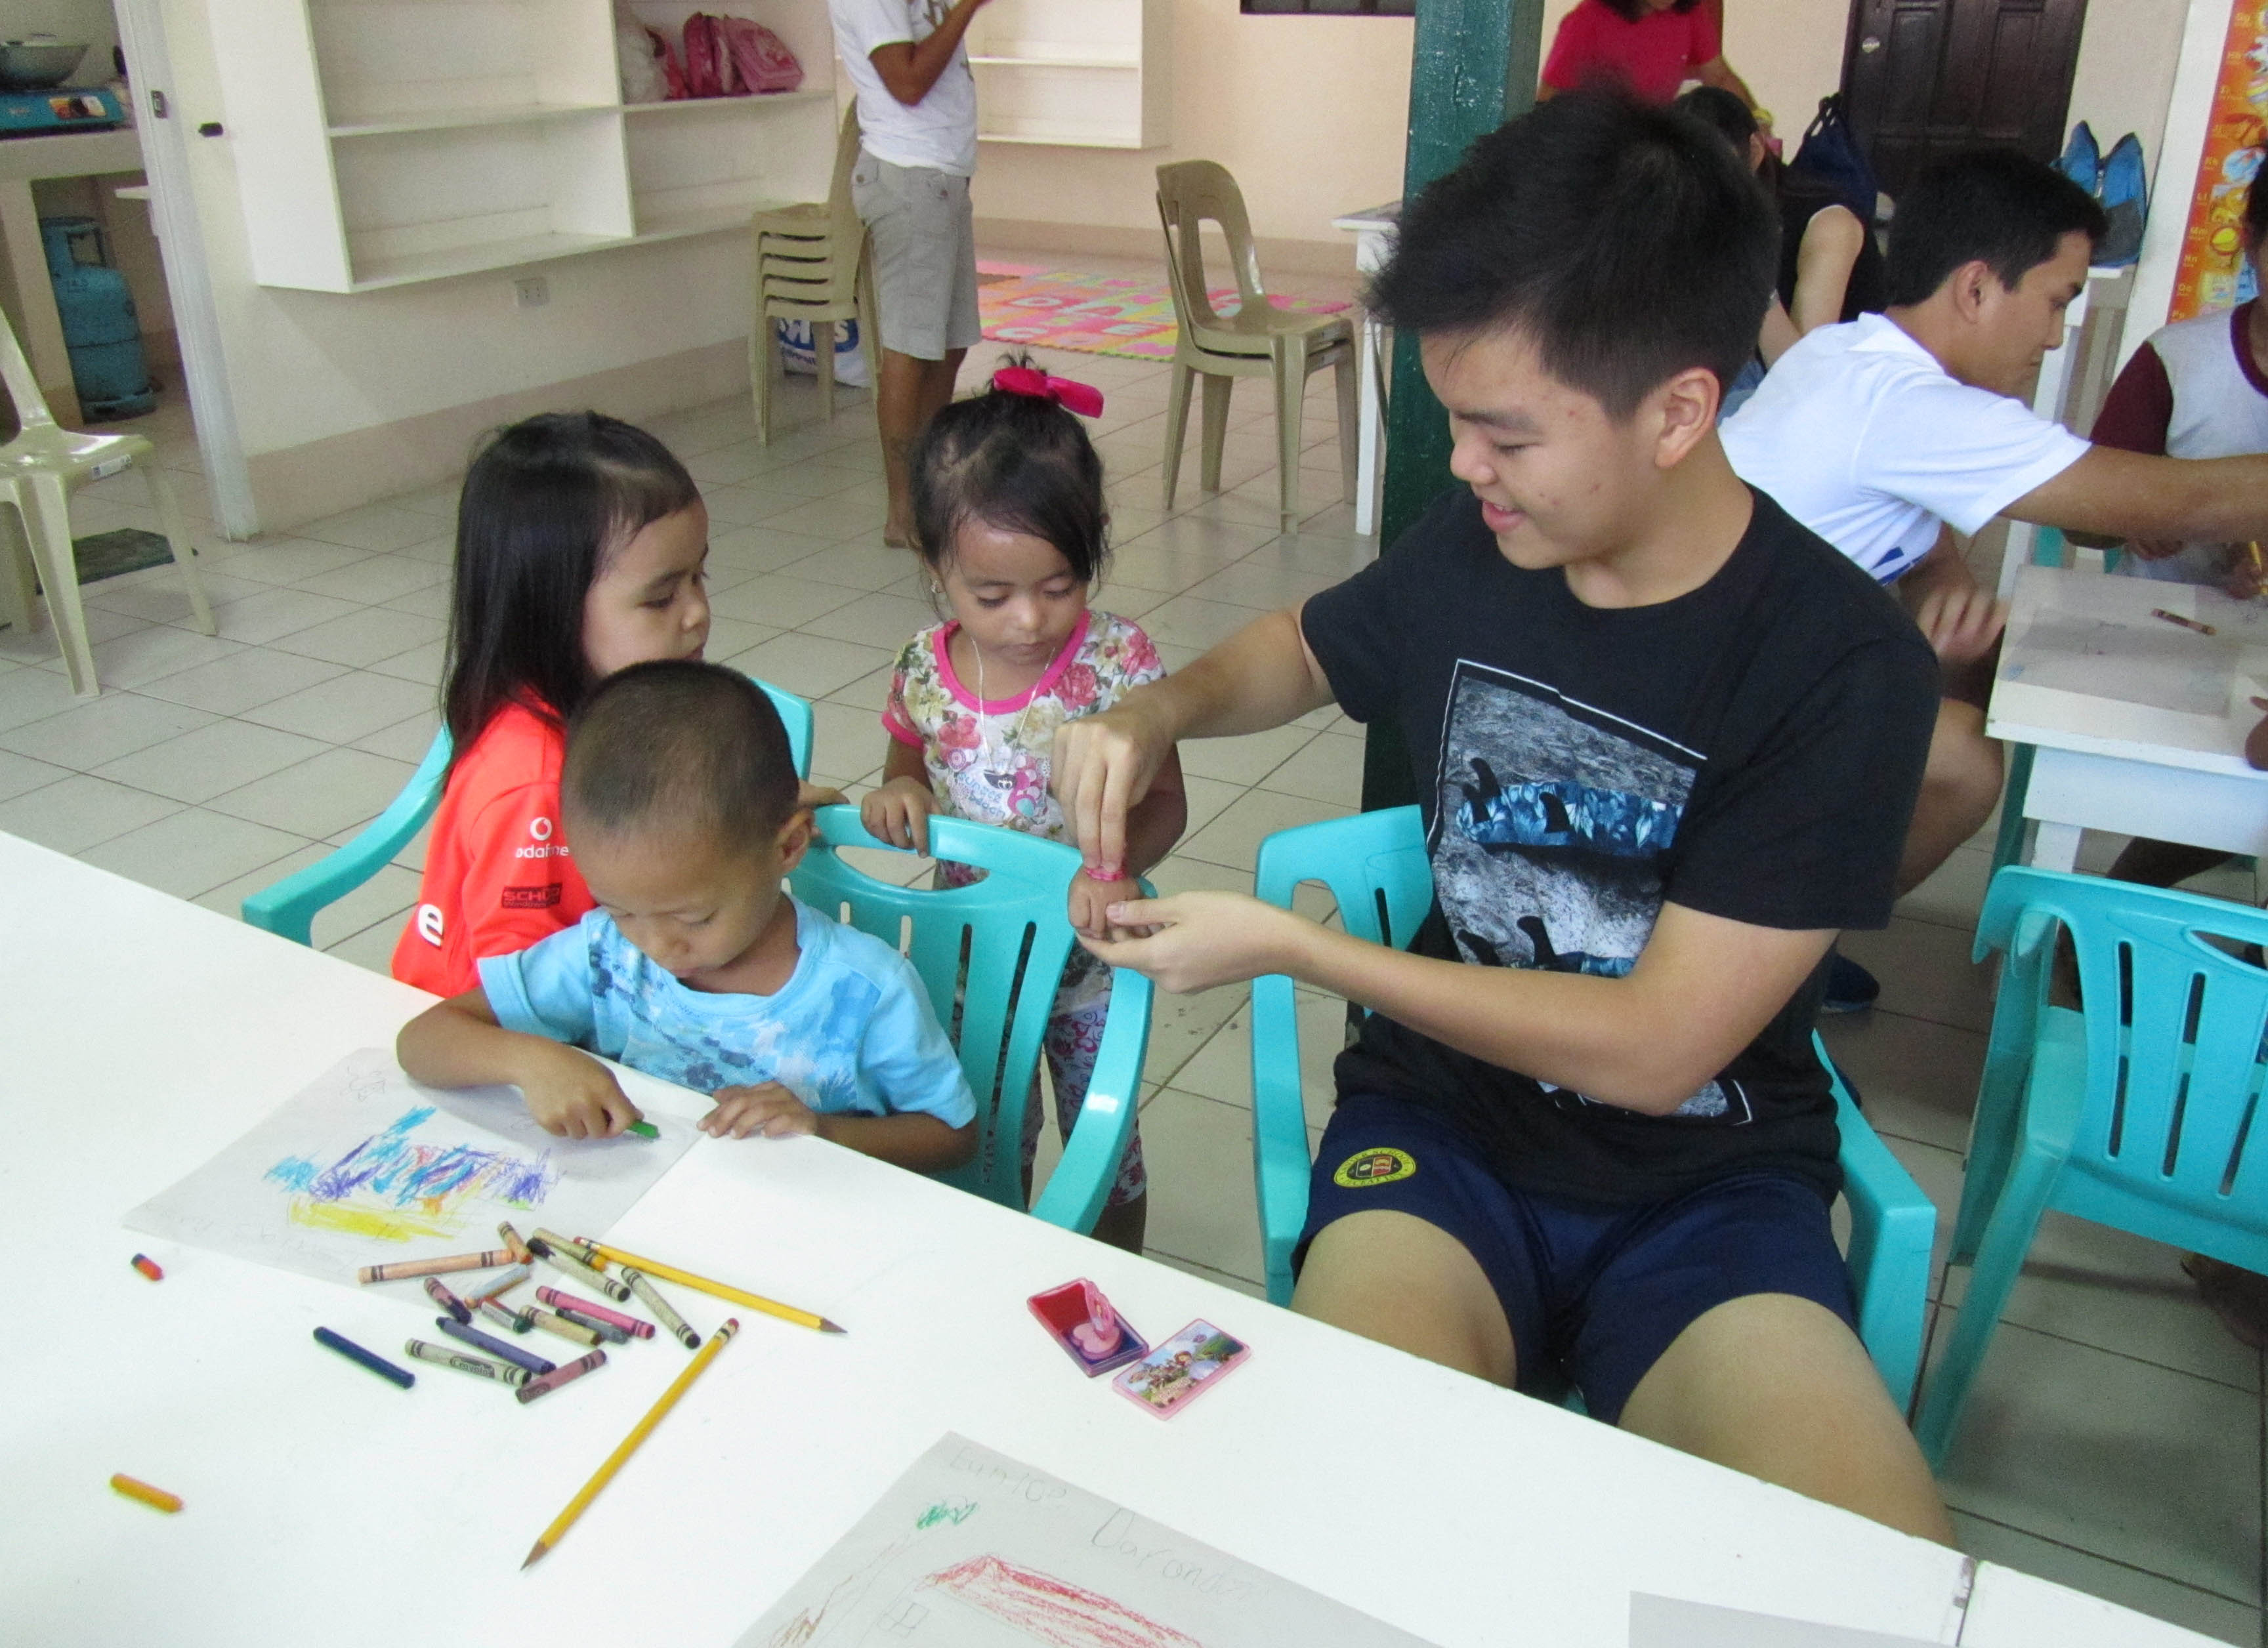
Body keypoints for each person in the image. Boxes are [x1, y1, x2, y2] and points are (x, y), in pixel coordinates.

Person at [1049, 91, 1951, 1541]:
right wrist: (1159, 707)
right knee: (1349, 1516)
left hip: (1708, 1188)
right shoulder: (1487, 545)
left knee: (1866, 1575)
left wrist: (1298, 950)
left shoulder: (1840, 666)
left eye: (1503, 433)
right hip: (1442, 1140)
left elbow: (1658, 1049)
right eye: (1455, 420)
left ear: (1679, 411)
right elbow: (1305, 645)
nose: (1465, 466)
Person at [1723, 148, 2268, 911]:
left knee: (1967, 678)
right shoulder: (1926, 409)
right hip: (1703, 702)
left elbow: (1910, 504)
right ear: (1976, 288)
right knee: (1966, 765)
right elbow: (2183, 504)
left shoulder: (1847, 354)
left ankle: (1779, 903)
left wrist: (1944, 575)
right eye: (2055, 302)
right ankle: (1775, 936)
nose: (2054, 337)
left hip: (1709, 665)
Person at [398, 661, 978, 1170]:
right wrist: (532, 1061)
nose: (655, 946)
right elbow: (422, 1040)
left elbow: (953, 1137)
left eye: (694, 919)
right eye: (620, 910)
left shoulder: (866, 990)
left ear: (788, 847)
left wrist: (824, 1131)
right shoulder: (605, 957)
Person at [862, 360, 1188, 1253]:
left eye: (1059, 586)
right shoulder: (923, 668)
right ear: (935, 565)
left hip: (1092, 968)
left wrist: (1113, 866)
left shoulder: (1119, 663)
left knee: (1106, 1154)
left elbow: (1167, 800)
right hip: (978, 970)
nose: (1030, 621)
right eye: (992, 595)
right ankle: (1003, 1274)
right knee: (993, 1143)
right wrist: (900, 789)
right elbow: (908, 759)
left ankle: (1118, 1281)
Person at [390, 413, 711, 999]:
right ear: (551, 608)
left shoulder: (617, 703)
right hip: (487, 1032)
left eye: (700, 576)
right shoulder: (537, 787)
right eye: (662, 597)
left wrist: (744, 811)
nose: (697, 613)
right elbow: (523, 997)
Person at [2076, 167, 2268, 895]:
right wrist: (2138, 516)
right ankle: (2120, 904)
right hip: (2165, 634)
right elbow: (2089, 519)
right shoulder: (2180, 359)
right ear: (2250, 243)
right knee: (2204, 792)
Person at [829, 0, 988, 545]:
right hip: (910, 179)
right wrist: (968, 8)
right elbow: (908, 82)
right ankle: (903, 513)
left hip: (940, 179)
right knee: (911, 348)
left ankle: (928, 488)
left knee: (949, 343)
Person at [1676, 85, 1881, 413]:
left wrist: (1750, 271)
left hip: (1834, 392)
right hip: (1750, 376)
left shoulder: (1828, 223)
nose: (1701, 186)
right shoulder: (1693, 208)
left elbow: (1802, 375)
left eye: (1715, 167)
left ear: (1755, 150)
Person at [1541, 0, 1764, 116]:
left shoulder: (1689, 14)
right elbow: (1547, 100)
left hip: (1652, 146)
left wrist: (1758, 118)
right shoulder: (1587, 19)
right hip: (1597, 148)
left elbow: (1720, 77)